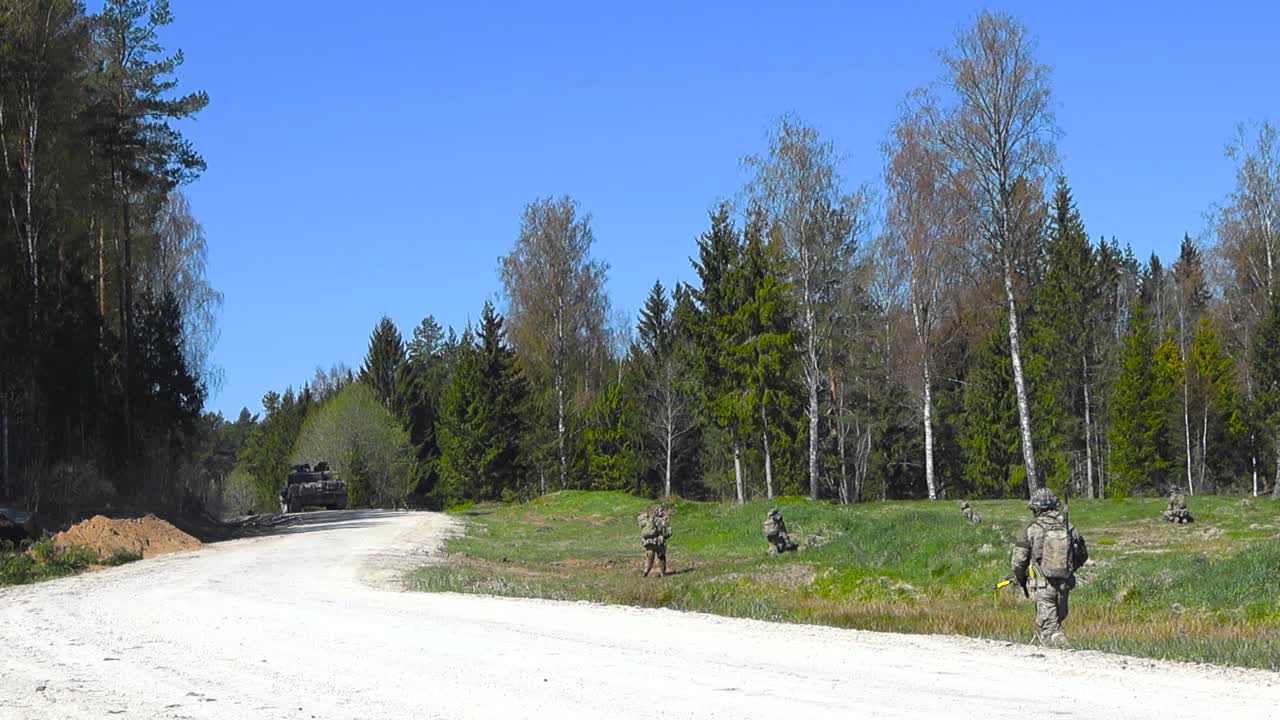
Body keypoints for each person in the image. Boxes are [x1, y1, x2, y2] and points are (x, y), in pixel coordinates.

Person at [1009, 488, 1088, 647]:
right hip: (1064, 584)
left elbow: (1018, 561)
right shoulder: (1068, 526)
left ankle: (1062, 656)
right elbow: (1082, 554)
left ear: (1035, 508)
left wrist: (1020, 578)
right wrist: (1067, 570)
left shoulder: (1031, 528)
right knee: (1056, 621)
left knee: (1050, 629)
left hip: (1043, 585)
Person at [637, 505, 672, 577]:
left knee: (650, 557)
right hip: (659, 541)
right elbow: (667, 533)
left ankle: (645, 572)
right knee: (661, 557)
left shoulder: (646, 519)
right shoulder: (662, 520)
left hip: (648, 542)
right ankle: (663, 573)